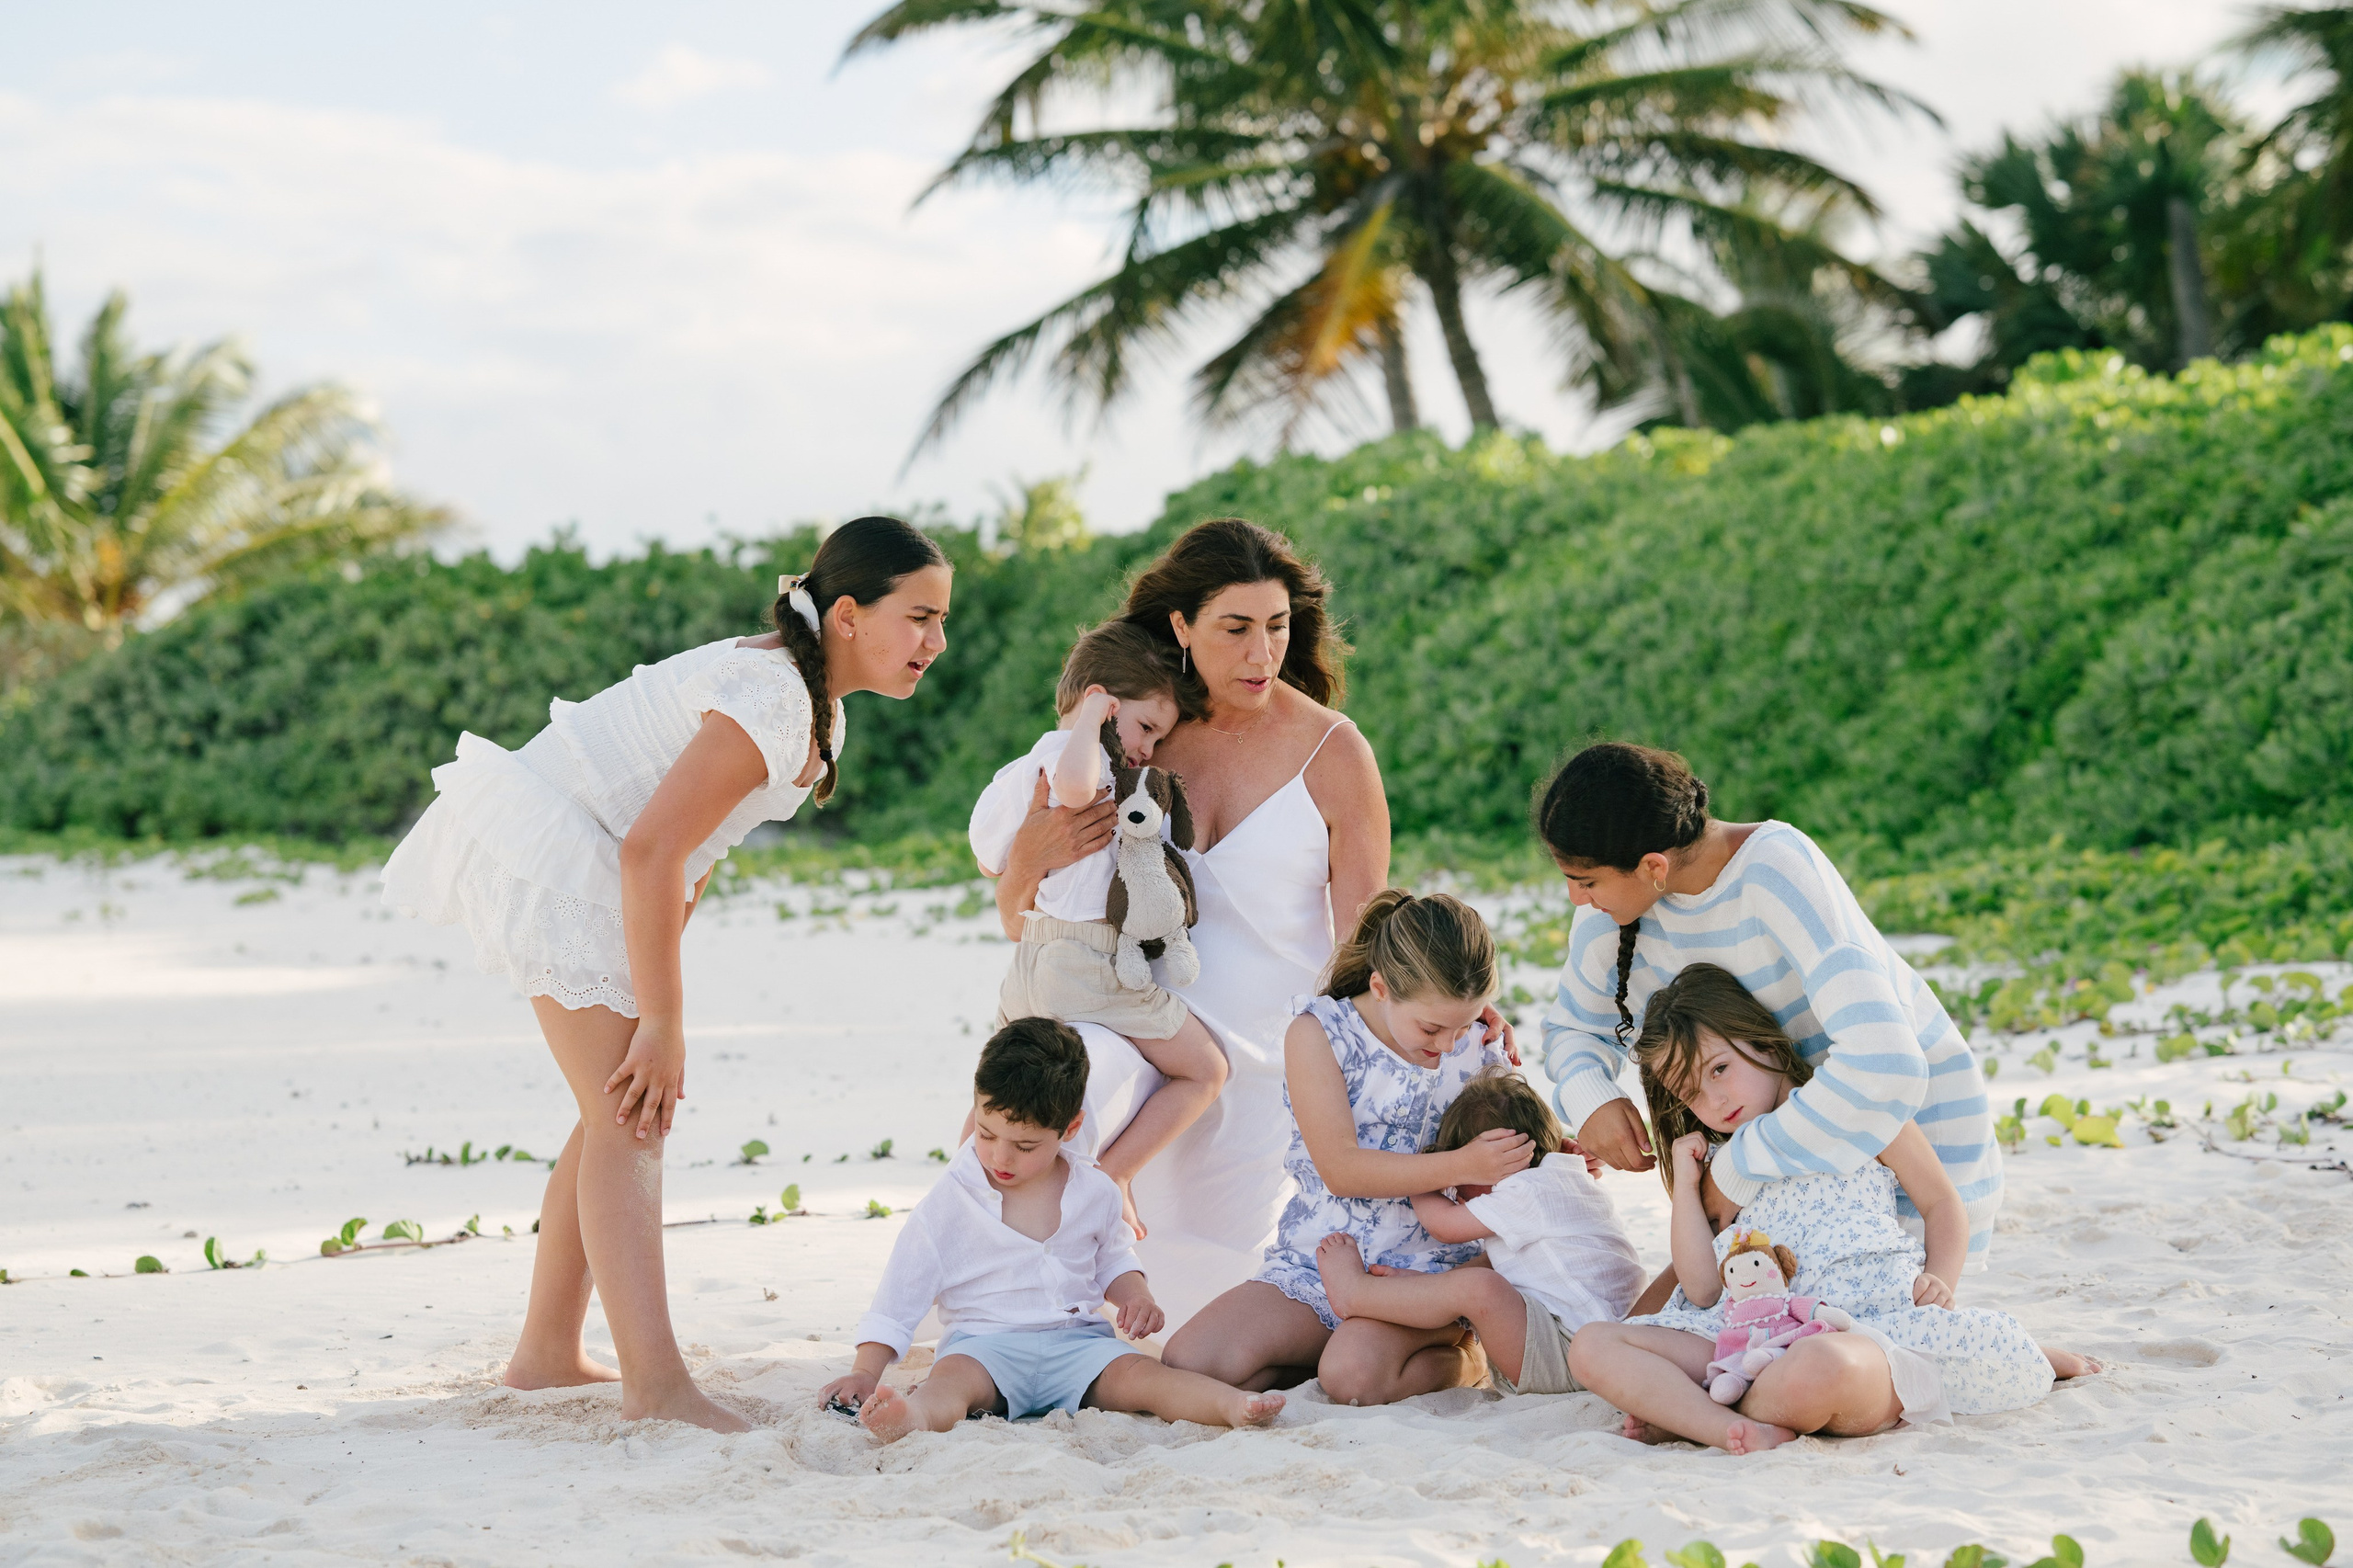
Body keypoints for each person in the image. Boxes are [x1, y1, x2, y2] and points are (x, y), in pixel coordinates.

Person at [381, 516, 950, 1432]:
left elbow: (694, 844)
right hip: (564, 849)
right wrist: (662, 1019)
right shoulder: (775, 694)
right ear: (848, 613)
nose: (936, 641)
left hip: (609, 864)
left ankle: (545, 1355)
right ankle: (655, 1384)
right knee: (631, 1111)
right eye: (920, 616)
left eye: (940, 620)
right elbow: (651, 847)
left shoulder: (812, 701)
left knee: (612, 1105)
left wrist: (656, 994)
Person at [988, 519, 1513, 1325]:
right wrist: (1029, 853)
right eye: (1235, 629)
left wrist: (1448, 1004)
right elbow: (1026, 913)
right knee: (1057, 1102)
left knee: (1204, 1308)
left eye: (1277, 628)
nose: (1260, 654)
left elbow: (1364, 942)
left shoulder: (1335, 753)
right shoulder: (1139, 731)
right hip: (1128, 1031)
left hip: (1266, 1073)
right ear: (1181, 627)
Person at [1568, 964, 2095, 1453]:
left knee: (1820, 1366)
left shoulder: (1858, 1110)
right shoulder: (1724, 1168)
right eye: (1690, 1092)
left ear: (1763, 1040)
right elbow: (1703, 1289)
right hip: (1743, 1340)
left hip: (1864, 1329)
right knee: (1593, 1347)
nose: (1713, 1099)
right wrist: (1686, 1185)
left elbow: (1941, 1202)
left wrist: (1940, 1281)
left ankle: (1686, 1412)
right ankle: (1721, 1424)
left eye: (1721, 1068)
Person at [1534, 742, 2004, 1270]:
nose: (1576, 898)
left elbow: (1885, 1066)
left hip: (1908, 1158)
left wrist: (1739, 1168)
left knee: (1852, 1333)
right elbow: (1572, 1027)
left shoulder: (1774, 869)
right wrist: (1591, 1097)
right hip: (1779, 1170)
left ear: (1652, 866)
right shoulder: (1614, 914)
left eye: (1586, 880)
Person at [818, 1018, 1288, 1441]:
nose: (1000, 1158)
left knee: (1145, 1378)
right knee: (950, 1385)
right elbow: (901, 1290)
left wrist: (1135, 1296)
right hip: (985, 1346)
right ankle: (912, 1418)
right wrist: (865, 1371)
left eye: (1025, 1145)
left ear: (1070, 1127)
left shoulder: (1095, 1190)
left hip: (1077, 1345)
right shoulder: (951, 1200)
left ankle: (1230, 1406)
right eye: (985, 1133)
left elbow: (1115, 1260)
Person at [1162, 892, 1524, 1403]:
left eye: (1462, 1025)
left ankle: (1465, 1356)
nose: (1448, 1045)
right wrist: (1463, 1162)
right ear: (1381, 987)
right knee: (1191, 1363)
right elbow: (1342, 1170)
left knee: (1353, 1378)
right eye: (1432, 1027)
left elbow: (1513, 1140)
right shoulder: (1319, 1034)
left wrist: (1555, 1150)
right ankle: (1343, 1348)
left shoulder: (1478, 1042)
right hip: (1320, 1262)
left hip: (1427, 1275)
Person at [967, 622, 1228, 1239]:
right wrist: (1088, 728)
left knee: (996, 1096)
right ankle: (1114, 1176)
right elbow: (1077, 787)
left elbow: (987, 855)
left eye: (1157, 739)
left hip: (1030, 966)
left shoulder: (1014, 774)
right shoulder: (1081, 760)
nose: (1144, 751)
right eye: (1142, 728)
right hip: (1087, 967)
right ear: (1099, 700)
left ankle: (965, 1201)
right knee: (1205, 1070)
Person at [1313, 1066, 1643, 1398]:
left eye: (1463, 1177)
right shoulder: (1568, 1177)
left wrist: (1424, 1176)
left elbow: (1443, 1225)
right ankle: (1452, 1340)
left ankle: (1356, 1292)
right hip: (1607, 1343)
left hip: (1569, 1355)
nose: (1455, 1191)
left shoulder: (1524, 1190)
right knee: (1486, 1279)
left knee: (1481, 1289)